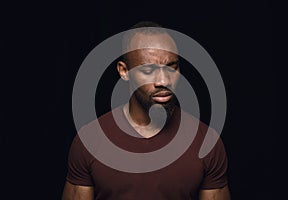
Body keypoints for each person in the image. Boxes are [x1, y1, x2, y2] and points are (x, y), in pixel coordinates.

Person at [62, 21, 231, 200]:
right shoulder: (91, 139)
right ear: (124, 71)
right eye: (149, 70)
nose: (163, 80)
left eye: (171, 67)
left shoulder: (206, 141)